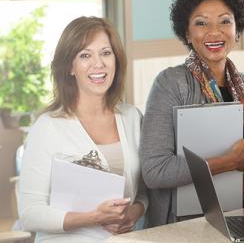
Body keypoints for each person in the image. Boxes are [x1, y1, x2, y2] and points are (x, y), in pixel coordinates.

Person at [140, 0, 244, 227]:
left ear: (237, 30)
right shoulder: (170, 83)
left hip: (234, 216)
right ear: (187, 32)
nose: (214, 32)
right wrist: (227, 162)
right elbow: (154, 171)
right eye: (201, 23)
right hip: (180, 225)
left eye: (225, 21)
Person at [19, 17, 148, 242]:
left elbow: (145, 192)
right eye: (85, 55)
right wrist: (93, 217)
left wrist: (133, 213)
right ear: (70, 66)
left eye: (106, 53)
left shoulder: (132, 118)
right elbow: (30, 214)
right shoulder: (48, 127)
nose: (98, 64)